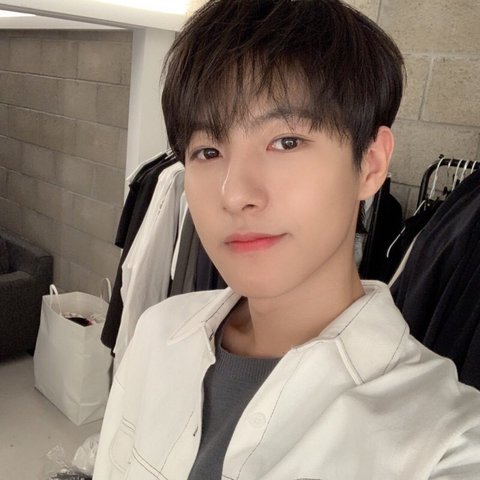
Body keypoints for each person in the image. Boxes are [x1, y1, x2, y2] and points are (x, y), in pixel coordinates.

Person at [93, 1, 480, 478]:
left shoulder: (443, 443)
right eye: (208, 151)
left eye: (286, 142)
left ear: (371, 163)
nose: (235, 194)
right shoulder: (158, 333)